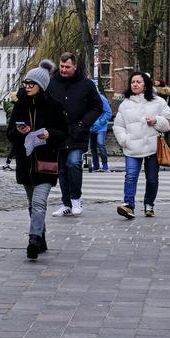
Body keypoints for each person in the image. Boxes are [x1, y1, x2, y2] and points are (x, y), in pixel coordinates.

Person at [8, 60, 67, 260]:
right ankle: (41, 237)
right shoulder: (20, 106)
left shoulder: (54, 107)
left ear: (41, 86)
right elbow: (9, 134)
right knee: (32, 204)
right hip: (25, 163)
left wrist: (49, 135)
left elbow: (63, 133)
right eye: (26, 83)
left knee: (39, 201)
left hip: (45, 162)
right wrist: (18, 132)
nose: (27, 86)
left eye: (31, 84)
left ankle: (33, 240)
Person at [112, 71, 170, 219]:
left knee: (152, 178)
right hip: (132, 147)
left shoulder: (158, 102)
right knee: (131, 176)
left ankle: (149, 205)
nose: (135, 84)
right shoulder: (125, 104)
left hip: (153, 147)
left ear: (145, 85)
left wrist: (156, 121)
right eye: (133, 82)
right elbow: (118, 126)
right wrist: (124, 140)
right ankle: (128, 206)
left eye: (138, 82)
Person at [47, 52, 103, 217]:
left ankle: (76, 200)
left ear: (75, 66)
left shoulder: (86, 85)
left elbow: (97, 107)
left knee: (73, 163)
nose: (64, 70)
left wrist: (84, 123)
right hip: (59, 133)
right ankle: (66, 203)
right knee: (62, 169)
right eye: (62, 66)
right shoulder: (52, 83)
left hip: (78, 132)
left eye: (67, 67)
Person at [89, 88, 113, 172]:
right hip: (91, 127)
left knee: (100, 144)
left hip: (101, 127)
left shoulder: (102, 98)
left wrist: (100, 122)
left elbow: (108, 112)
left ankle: (105, 165)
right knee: (92, 147)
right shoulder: (87, 98)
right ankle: (96, 166)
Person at [2, 91, 18, 169]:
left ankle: (7, 163)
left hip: (12, 130)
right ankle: (7, 164)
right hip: (14, 131)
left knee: (14, 148)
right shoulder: (13, 108)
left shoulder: (11, 106)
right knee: (14, 148)